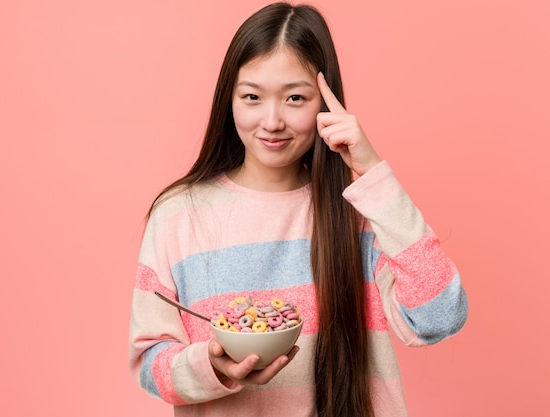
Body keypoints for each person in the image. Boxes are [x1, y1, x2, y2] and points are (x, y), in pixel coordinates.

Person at [128, 2, 468, 417]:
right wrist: (211, 367)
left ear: (326, 105)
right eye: (252, 96)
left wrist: (374, 173)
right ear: (228, 100)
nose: (272, 121)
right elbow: (149, 362)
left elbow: (440, 316)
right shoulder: (179, 214)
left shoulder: (361, 212)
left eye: (295, 98)